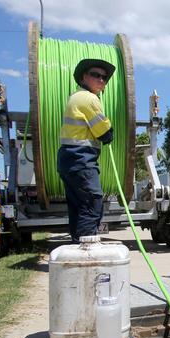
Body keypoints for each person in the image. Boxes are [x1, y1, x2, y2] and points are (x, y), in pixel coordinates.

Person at [57, 59, 115, 243]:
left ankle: (77, 247)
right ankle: (86, 252)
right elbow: (104, 132)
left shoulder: (75, 97)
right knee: (92, 202)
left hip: (69, 158)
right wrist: (109, 132)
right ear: (84, 77)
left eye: (104, 78)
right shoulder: (88, 99)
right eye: (95, 75)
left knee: (78, 207)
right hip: (80, 157)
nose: (101, 80)